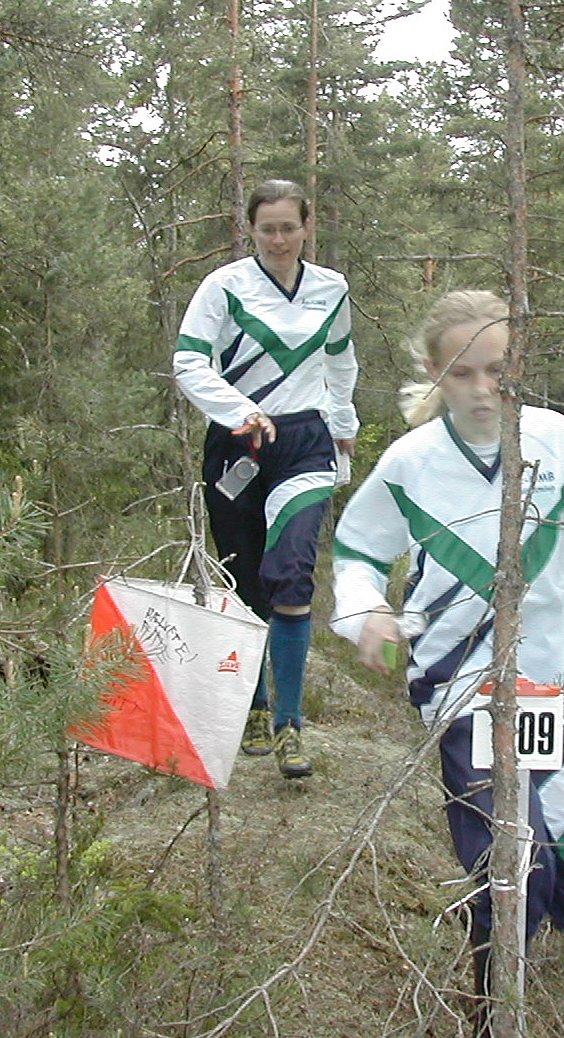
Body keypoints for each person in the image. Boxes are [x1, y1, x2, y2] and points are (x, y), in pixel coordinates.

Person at [329, 290, 564, 1031]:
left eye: (497, 371)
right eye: (463, 374)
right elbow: (357, 551)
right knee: (511, 874)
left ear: (519, 365)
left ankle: (514, 941)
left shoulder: (556, 442)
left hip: (557, 689)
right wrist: (365, 610)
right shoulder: (410, 464)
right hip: (460, 691)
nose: (482, 390)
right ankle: (494, 1004)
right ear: (435, 375)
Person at [174, 178, 359, 779]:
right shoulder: (224, 287)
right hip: (239, 444)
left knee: (293, 573)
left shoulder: (331, 288)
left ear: (306, 228)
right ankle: (253, 707)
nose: (278, 240)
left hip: (305, 442)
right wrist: (239, 411)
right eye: (267, 229)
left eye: (288, 228)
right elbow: (188, 360)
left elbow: (340, 361)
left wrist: (343, 425)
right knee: (246, 580)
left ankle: (290, 726)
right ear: (249, 229)